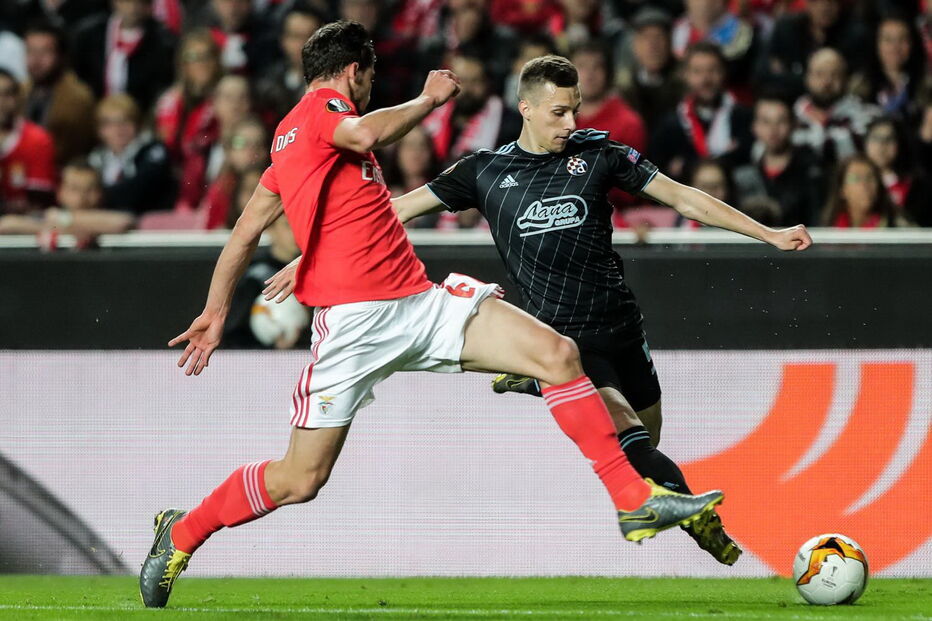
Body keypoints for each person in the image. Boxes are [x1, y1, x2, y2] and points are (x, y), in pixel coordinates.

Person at [139, 22, 725, 610]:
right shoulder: (325, 110)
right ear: (354, 72)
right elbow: (365, 129)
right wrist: (428, 98)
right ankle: (183, 532)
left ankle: (631, 499)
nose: (366, 89)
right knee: (301, 479)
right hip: (353, 326)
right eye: (367, 77)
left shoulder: (287, 141)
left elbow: (245, 230)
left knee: (557, 353)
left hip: (418, 303)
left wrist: (217, 310)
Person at [265, 52, 814, 570]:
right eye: (559, 111)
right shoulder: (481, 171)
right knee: (626, 432)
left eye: (575, 108)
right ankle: (697, 517)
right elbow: (394, 210)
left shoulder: (600, 153)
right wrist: (314, 258)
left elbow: (681, 196)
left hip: (623, 328)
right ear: (525, 108)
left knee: (646, 439)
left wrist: (765, 232)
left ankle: (534, 385)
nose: (570, 120)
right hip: (563, 339)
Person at [649, 41, 753, 180]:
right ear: (685, 75)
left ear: (724, 72)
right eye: (697, 71)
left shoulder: (744, 118)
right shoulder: (670, 124)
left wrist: (685, 165)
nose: (706, 79)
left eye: (713, 70)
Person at [733, 93, 825, 226]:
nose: (773, 129)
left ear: (793, 125)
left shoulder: (812, 172)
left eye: (781, 121)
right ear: (754, 127)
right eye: (766, 121)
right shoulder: (743, 174)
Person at [71, 0, 176, 113]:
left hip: (141, 116)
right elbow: (78, 78)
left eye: (139, 2)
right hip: (92, 113)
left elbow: (161, 88)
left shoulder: (163, 42)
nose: (133, 8)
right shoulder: (88, 35)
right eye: (127, 1)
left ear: (148, 6)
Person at [0, 159, 134, 245]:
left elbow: (122, 222)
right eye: (74, 188)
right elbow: (6, 225)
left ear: (100, 193)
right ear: (60, 192)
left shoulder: (56, 217)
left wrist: (62, 220)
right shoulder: (46, 216)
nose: (82, 197)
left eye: (90, 189)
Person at [22, 21, 97, 167]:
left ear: (62, 56)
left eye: (45, 52)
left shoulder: (79, 99)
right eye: (30, 51)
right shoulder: (19, 91)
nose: (36, 60)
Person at [87, 94, 176, 214]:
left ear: (137, 124)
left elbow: (137, 192)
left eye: (125, 121)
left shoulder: (153, 151)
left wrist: (100, 196)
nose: (118, 129)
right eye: (109, 124)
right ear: (99, 130)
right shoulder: (95, 159)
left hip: (150, 222)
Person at [792, 47, 879, 167]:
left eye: (834, 74)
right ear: (807, 78)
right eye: (819, 74)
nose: (827, 82)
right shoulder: (794, 114)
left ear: (845, 79)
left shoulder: (863, 113)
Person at [0, 69, 56, 215]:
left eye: (6, 94)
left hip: (23, 229)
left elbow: (37, 203)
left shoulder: (37, 139)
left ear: (18, 98)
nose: (1, 102)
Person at [821, 153, 900, 228]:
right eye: (856, 179)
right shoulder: (827, 231)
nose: (864, 185)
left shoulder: (897, 227)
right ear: (842, 190)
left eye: (870, 178)